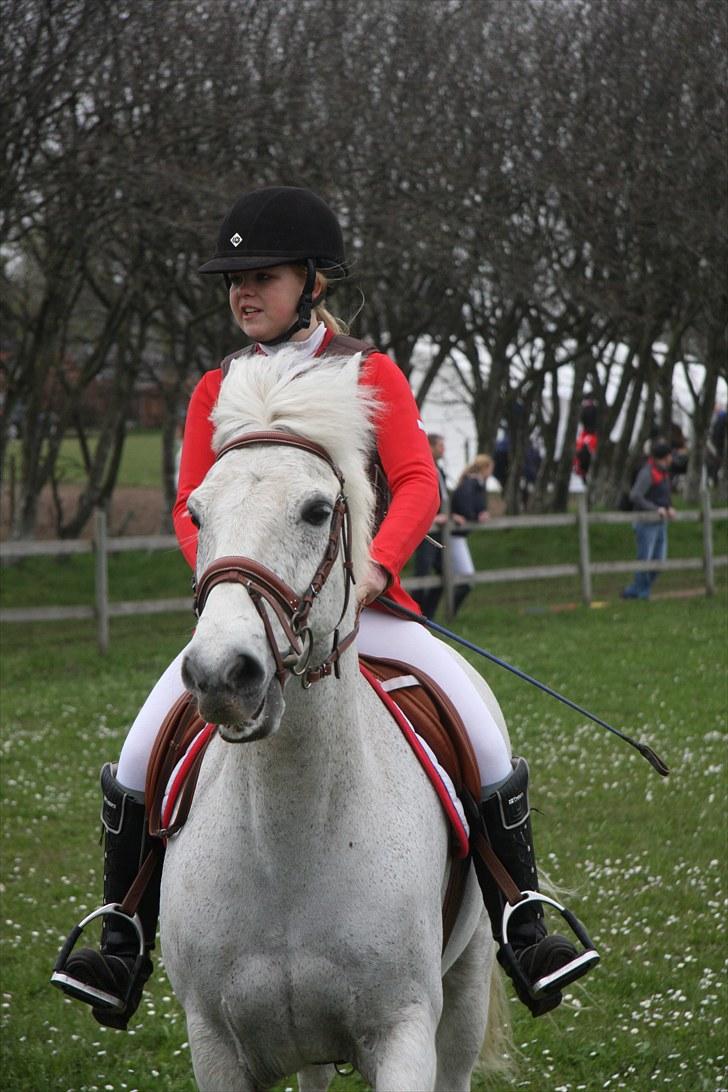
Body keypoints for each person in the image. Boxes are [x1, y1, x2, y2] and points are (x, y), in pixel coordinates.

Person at [52, 185, 597, 1026]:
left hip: (363, 605)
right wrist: (227, 586)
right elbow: (188, 503)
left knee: (479, 729)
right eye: (232, 278)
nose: (242, 292)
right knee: (136, 753)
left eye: (260, 275)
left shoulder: (369, 371)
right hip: (254, 615)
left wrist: (377, 566)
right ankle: (121, 931)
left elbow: (418, 481)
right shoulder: (215, 388)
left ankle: (521, 914)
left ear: (313, 281)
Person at [621, 438, 676, 600]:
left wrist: (669, 508)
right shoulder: (647, 473)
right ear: (665, 456)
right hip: (646, 523)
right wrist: (655, 509)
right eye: (669, 455)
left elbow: (665, 495)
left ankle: (635, 589)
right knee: (645, 559)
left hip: (660, 523)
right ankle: (641, 593)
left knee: (659, 562)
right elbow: (635, 495)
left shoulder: (663, 472)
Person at [411, 433, 449, 619]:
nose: (444, 449)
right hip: (426, 531)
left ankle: (428, 615)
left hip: (441, 530)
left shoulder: (439, 470)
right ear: (431, 446)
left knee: (445, 572)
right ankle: (415, 615)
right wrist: (431, 519)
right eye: (441, 445)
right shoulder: (422, 469)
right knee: (423, 573)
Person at [449, 453, 493, 615]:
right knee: (467, 578)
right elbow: (466, 506)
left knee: (464, 578)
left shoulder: (477, 484)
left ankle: (450, 612)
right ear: (485, 468)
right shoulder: (471, 484)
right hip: (455, 535)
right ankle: (450, 611)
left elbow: (478, 505)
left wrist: (481, 512)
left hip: (460, 536)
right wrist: (475, 515)